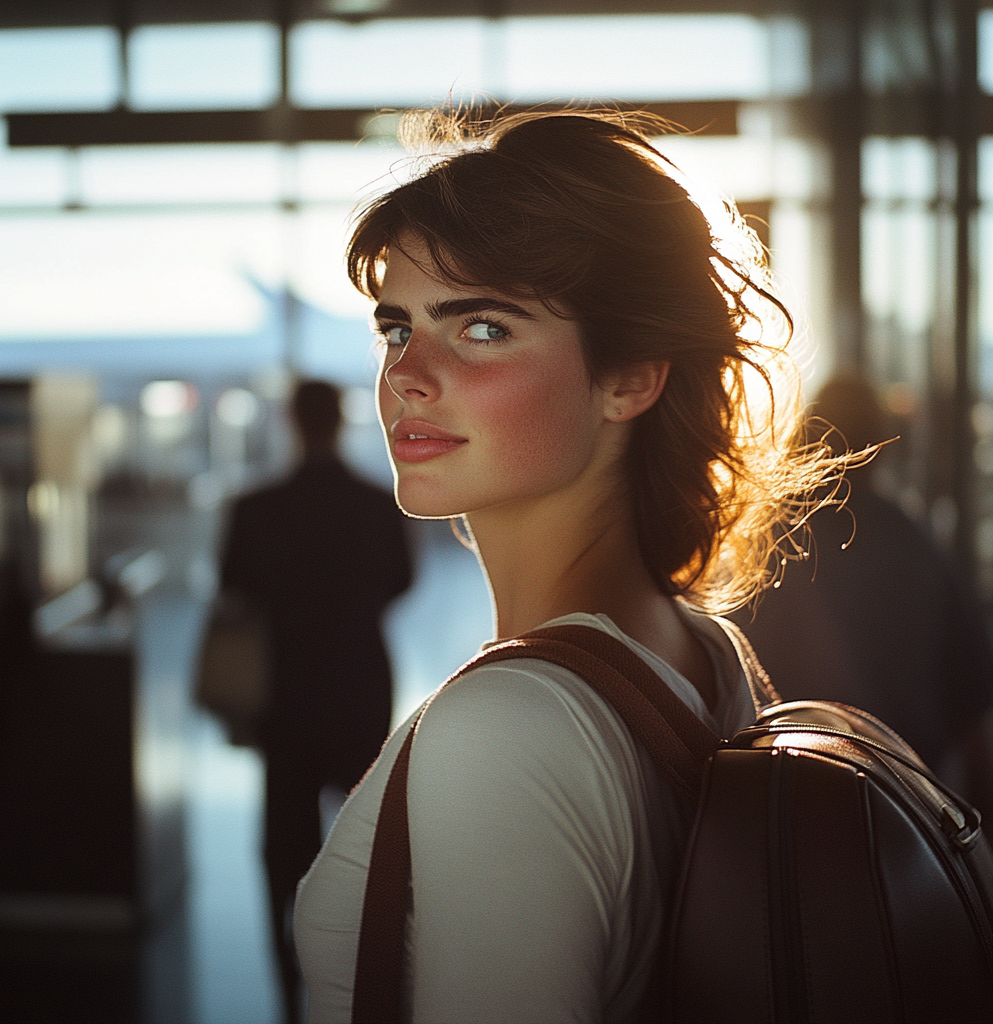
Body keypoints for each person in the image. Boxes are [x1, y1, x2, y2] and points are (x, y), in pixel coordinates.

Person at [293, 110, 845, 1022]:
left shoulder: (506, 730)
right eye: (397, 329)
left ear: (631, 377)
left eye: (482, 329)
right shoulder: (703, 650)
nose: (408, 376)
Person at [218, 379, 412, 1024]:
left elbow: (234, 588)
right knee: (364, 830)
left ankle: (286, 977)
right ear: (340, 422)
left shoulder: (256, 508)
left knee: (284, 834)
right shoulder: (376, 505)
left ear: (292, 422)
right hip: (359, 682)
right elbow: (400, 582)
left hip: (286, 686)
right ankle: (362, 970)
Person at [733, 373, 993, 818]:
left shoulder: (762, 543)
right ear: (881, 446)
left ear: (802, 436)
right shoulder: (915, 543)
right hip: (909, 808)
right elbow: (974, 707)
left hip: (786, 801)